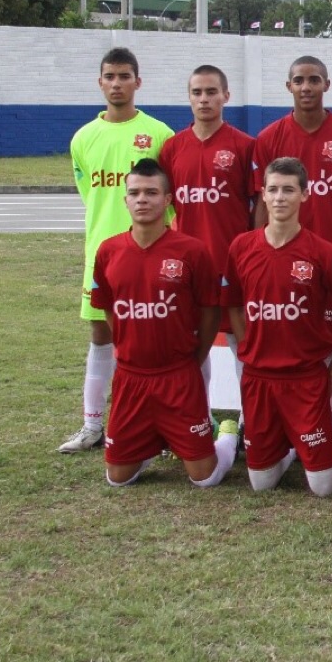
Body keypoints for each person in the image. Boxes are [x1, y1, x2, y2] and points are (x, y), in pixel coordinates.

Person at [89, 159, 237, 487]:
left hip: (178, 377)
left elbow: (210, 311)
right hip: (131, 378)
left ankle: (227, 435)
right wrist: (129, 344)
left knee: (205, 478)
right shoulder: (108, 251)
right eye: (135, 192)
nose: (142, 199)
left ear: (168, 200)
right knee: (118, 480)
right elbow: (109, 308)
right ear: (125, 199)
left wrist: (192, 359)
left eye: (152, 192)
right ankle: (150, 441)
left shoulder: (192, 251)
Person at [223, 157, 332, 496]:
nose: (280, 197)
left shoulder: (322, 252)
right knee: (261, 483)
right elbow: (232, 304)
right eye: (273, 189)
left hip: (306, 380)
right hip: (259, 380)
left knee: (323, 486)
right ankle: (274, 447)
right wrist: (247, 346)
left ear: (305, 195)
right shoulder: (241, 247)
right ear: (263, 195)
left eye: (289, 189)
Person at [60, 47, 175, 453]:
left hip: (150, 255)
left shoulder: (160, 135)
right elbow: (90, 195)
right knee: (100, 333)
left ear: (137, 82)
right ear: (100, 82)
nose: (116, 83)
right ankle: (92, 425)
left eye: (124, 76)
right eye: (110, 76)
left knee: (152, 336)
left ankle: (161, 427)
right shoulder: (82, 139)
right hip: (102, 255)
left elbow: (170, 200)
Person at [252, 55, 332, 443]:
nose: (306, 87)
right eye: (299, 80)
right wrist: (257, 254)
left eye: (314, 80)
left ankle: (328, 429)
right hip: (281, 260)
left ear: (326, 85)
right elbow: (259, 203)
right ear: (288, 87)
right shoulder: (269, 138)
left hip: (330, 262)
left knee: (327, 345)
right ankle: (276, 427)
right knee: (284, 340)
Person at [159, 64, 255, 417]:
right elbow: (165, 203)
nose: (204, 99)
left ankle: (250, 423)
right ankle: (197, 418)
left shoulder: (245, 147)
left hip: (232, 266)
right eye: (197, 92)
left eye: (211, 92)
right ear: (188, 97)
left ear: (226, 96)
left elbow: (258, 205)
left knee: (242, 345)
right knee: (191, 346)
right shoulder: (171, 149)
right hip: (187, 270)